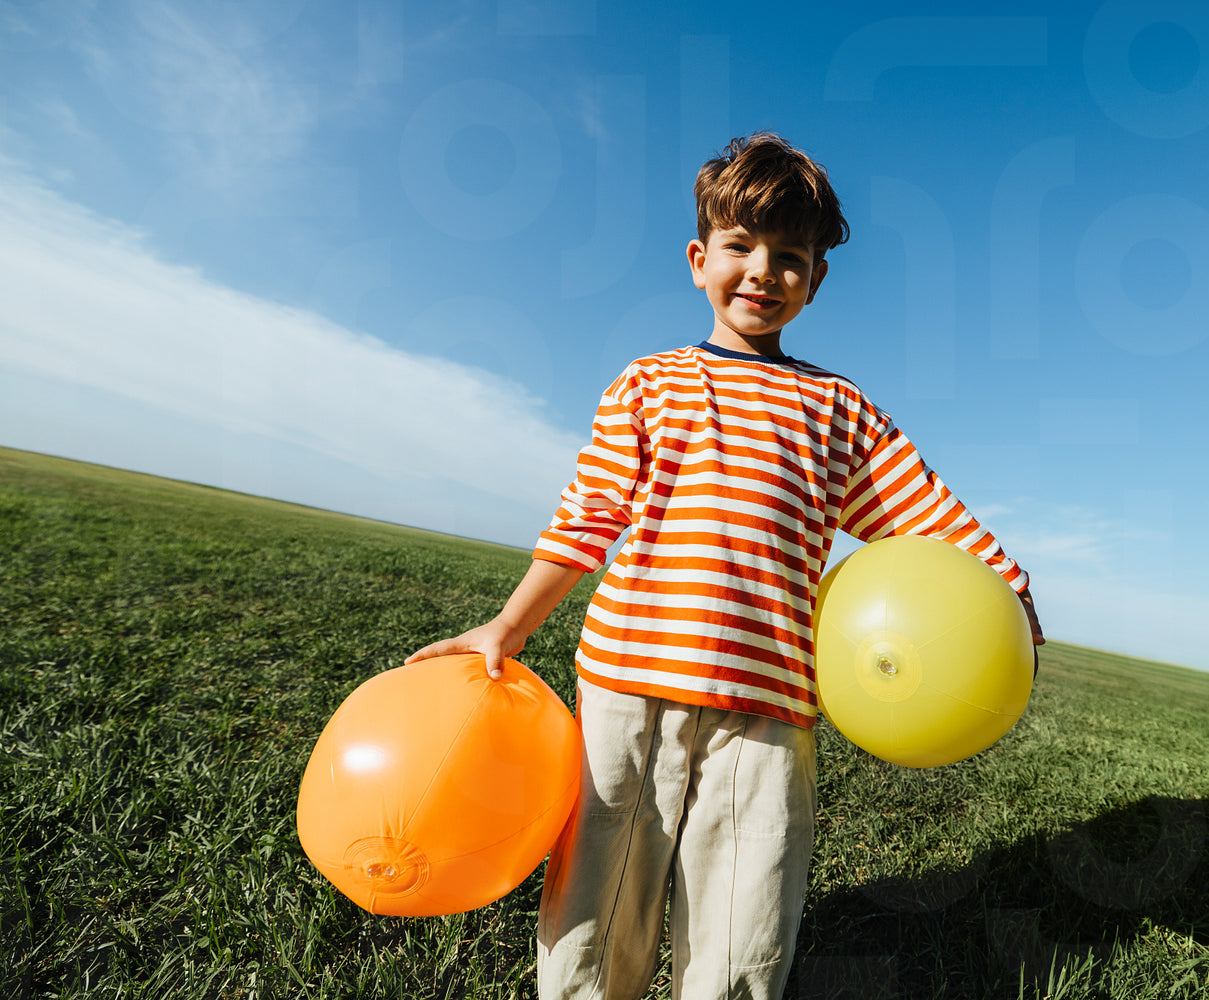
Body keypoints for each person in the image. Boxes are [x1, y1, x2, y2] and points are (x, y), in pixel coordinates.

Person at [405, 132, 1043, 1000]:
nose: (762, 272)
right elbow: (587, 519)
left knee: (747, 925)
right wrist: (509, 626)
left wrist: (1008, 589)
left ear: (815, 280)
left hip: (769, 705)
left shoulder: (840, 409)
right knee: (598, 909)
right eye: (741, 246)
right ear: (700, 259)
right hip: (628, 685)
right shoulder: (649, 383)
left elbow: (921, 514)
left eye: (790, 257)